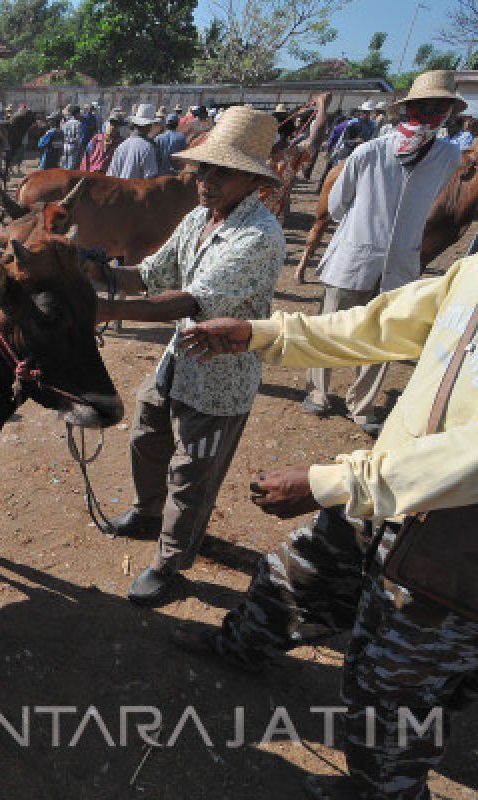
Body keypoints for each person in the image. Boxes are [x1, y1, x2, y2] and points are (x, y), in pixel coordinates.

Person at [173, 252, 478, 800]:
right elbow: (377, 324)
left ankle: (383, 793)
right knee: (296, 574)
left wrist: (334, 484)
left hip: (458, 542)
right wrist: (261, 334)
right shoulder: (472, 272)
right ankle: (244, 646)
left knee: (393, 688)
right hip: (388, 489)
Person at [93, 106, 286, 605]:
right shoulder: (198, 218)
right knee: (146, 435)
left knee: (194, 473)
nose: (206, 180)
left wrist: (103, 308)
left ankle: (170, 565)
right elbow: (155, 273)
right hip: (178, 360)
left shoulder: (258, 236)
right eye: (204, 168)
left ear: (251, 179)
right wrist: (100, 271)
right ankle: (146, 511)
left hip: (219, 376)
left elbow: (188, 300)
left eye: (221, 172)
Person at [302, 71, 466, 437]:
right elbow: (337, 204)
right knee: (330, 326)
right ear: (408, 109)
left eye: (439, 108)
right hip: (355, 256)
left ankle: (363, 403)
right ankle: (318, 391)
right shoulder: (370, 152)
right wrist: (364, 231)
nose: (431, 114)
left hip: (402, 263)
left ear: (446, 115)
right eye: (424, 106)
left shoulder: (447, 156)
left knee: (385, 335)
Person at [107, 104, 160, 180]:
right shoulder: (147, 148)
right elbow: (150, 178)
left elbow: (111, 174)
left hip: (120, 190)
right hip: (135, 191)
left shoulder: (122, 145)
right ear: (148, 126)